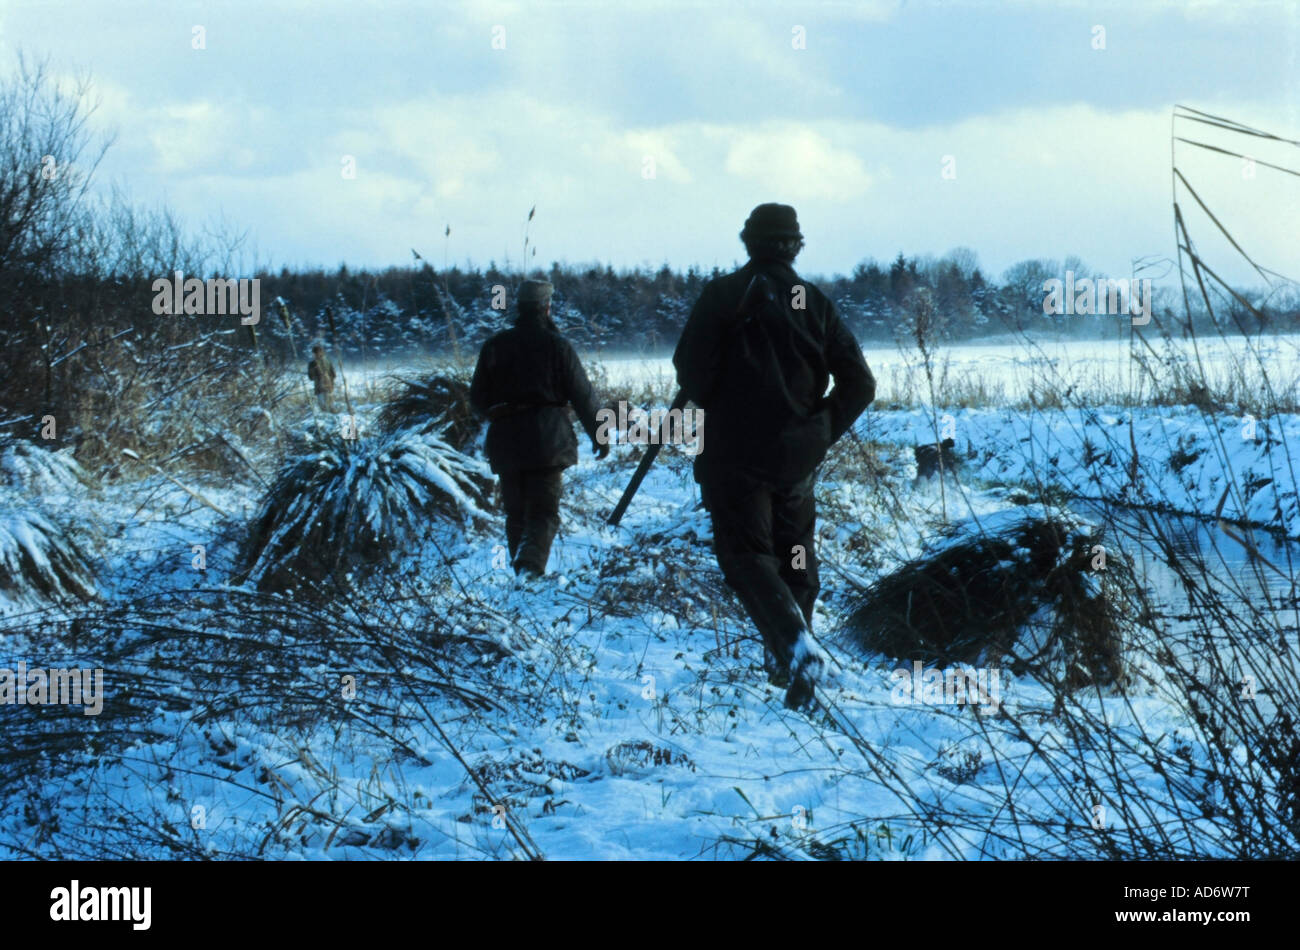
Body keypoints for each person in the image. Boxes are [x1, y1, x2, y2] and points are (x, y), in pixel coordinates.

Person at [673, 203, 876, 709]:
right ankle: (788, 661)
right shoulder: (816, 303)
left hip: (733, 453)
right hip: (795, 459)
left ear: (747, 242)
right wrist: (820, 430)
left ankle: (793, 648)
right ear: (796, 246)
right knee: (794, 556)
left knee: (747, 555)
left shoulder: (721, 295)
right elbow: (861, 384)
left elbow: (691, 375)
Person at [470, 279, 607, 579]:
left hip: (507, 444)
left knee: (516, 513)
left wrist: (500, 411)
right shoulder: (558, 346)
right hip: (547, 443)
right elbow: (582, 395)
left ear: (518, 307)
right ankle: (529, 570)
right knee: (544, 512)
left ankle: (523, 572)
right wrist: (600, 433)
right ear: (547, 307)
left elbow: (477, 400)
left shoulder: (495, 346)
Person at [307, 343, 336, 410]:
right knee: (330, 406)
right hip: (327, 387)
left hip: (320, 388)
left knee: (324, 407)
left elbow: (310, 377)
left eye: (315, 353)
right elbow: (334, 374)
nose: (315, 354)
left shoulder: (312, 364)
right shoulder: (327, 361)